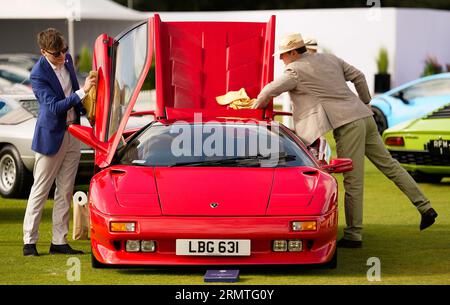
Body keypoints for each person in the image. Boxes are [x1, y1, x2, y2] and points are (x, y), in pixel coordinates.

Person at [252, 33, 438, 248]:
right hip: (365, 117)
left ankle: (353, 235)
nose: (280, 59)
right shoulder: (330, 58)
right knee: (390, 165)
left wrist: (255, 105)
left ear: (294, 52)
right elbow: (358, 75)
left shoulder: (294, 70)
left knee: (352, 181)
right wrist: (366, 103)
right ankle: (425, 207)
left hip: (348, 124)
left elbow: (268, 90)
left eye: (283, 55)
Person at [22, 28, 96, 256]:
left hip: (73, 132)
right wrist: (82, 92)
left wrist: (89, 98)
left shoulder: (68, 59)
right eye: (57, 53)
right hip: (50, 136)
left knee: (65, 190)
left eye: (64, 50)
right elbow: (53, 107)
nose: (63, 56)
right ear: (44, 52)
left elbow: (74, 90)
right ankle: (29, 242)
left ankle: (59, 242)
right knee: (40, 190)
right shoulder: (38, 74)